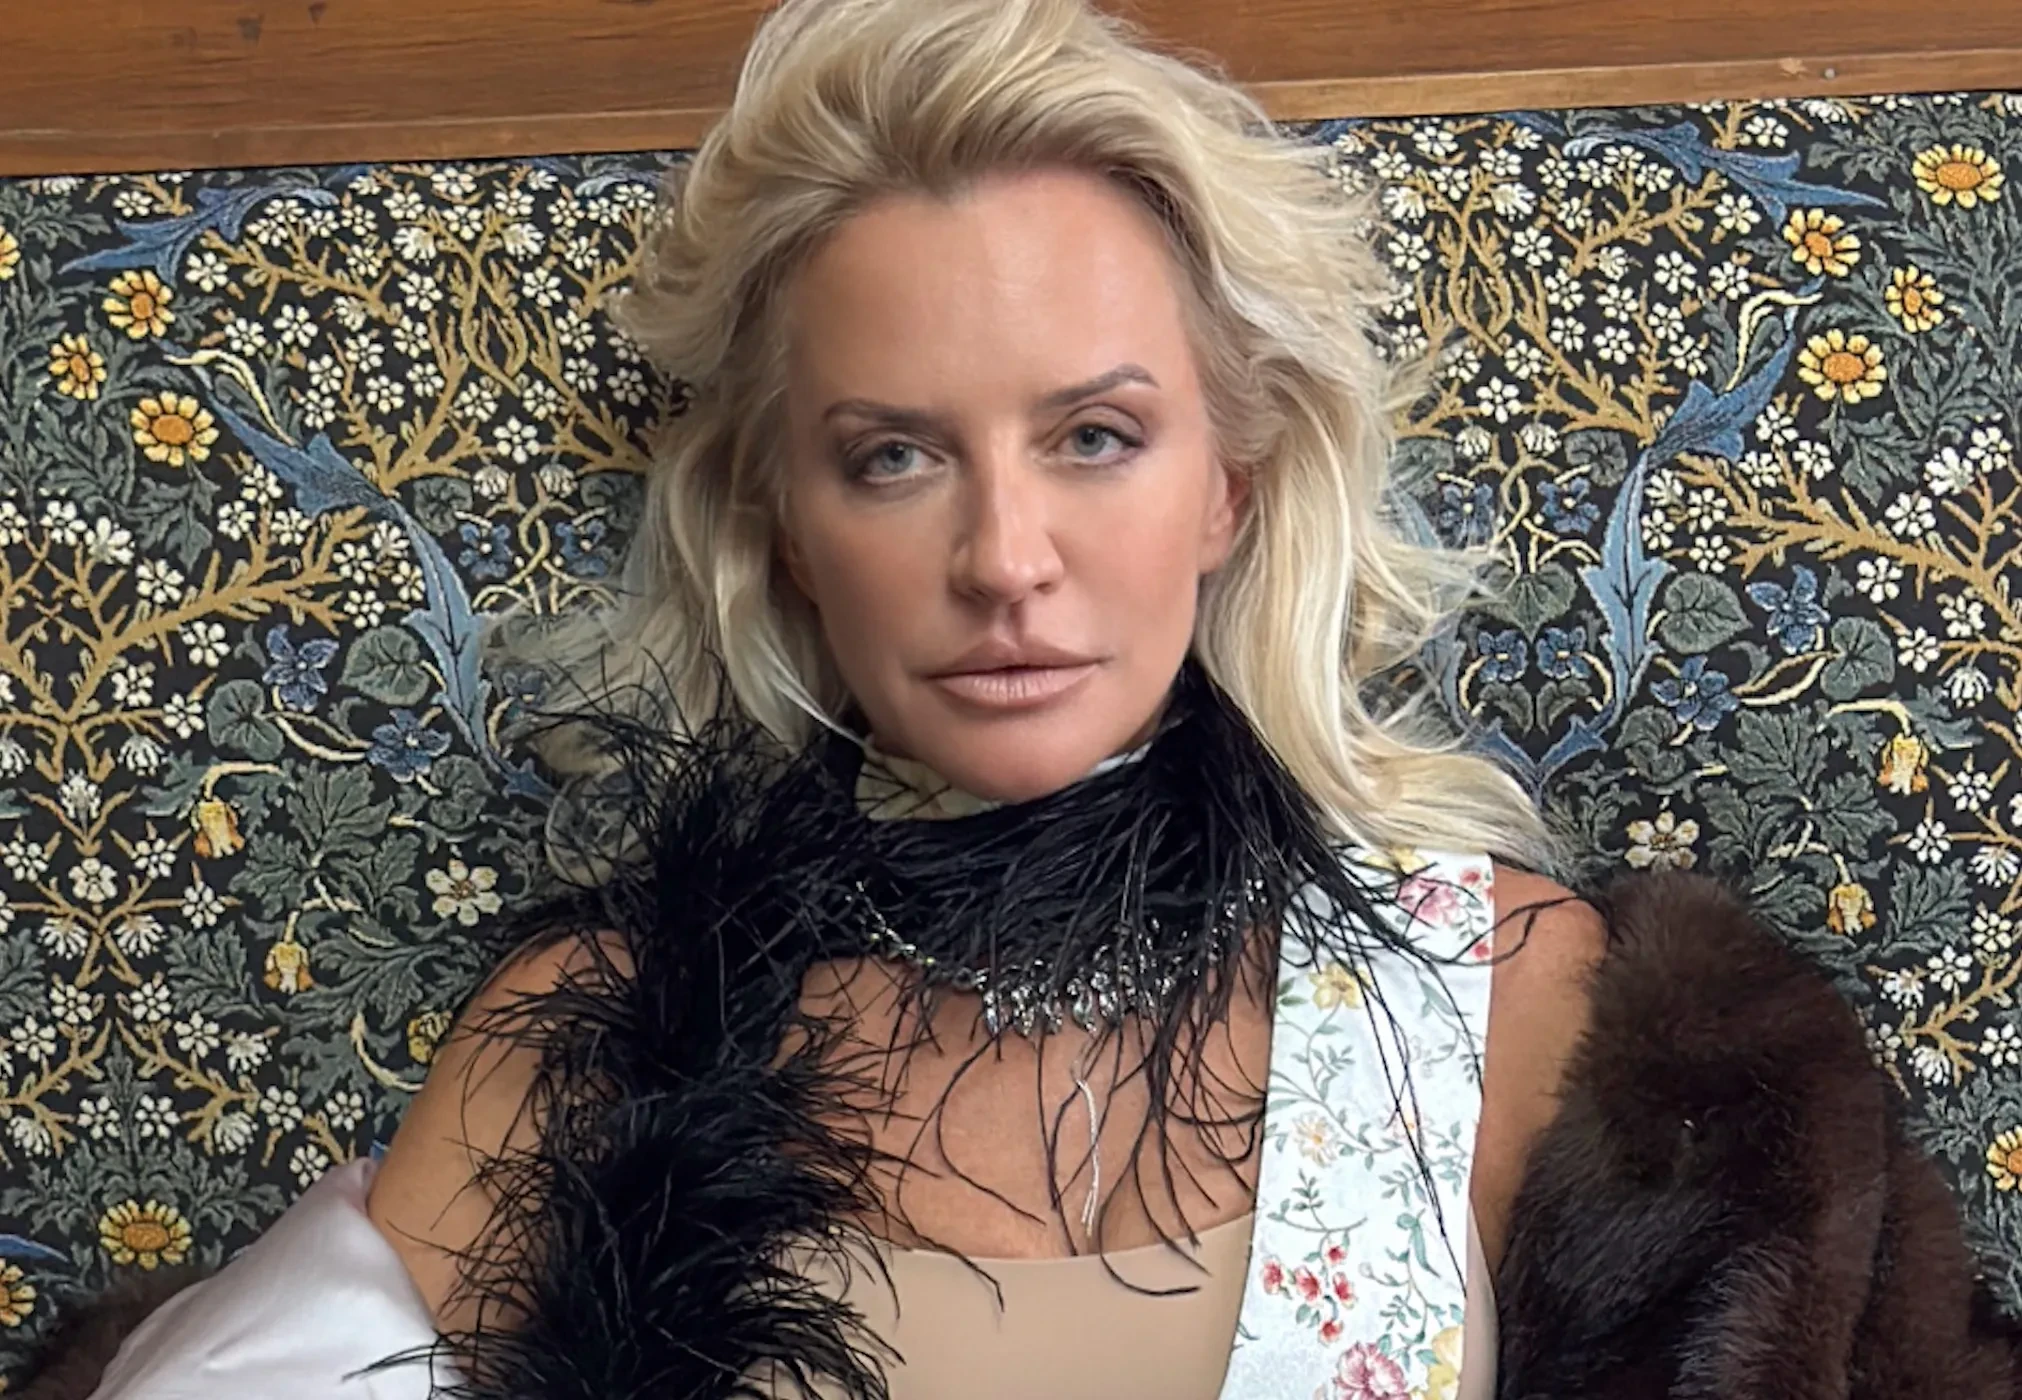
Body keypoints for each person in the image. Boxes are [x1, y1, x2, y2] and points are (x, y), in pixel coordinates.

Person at [71, 1, 1606, 1396]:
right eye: (894, 457)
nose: (1003, 560)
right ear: (793, 536)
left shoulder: (1491, 989)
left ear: (1228, 488)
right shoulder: (592, 1034)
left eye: (1092, 436)